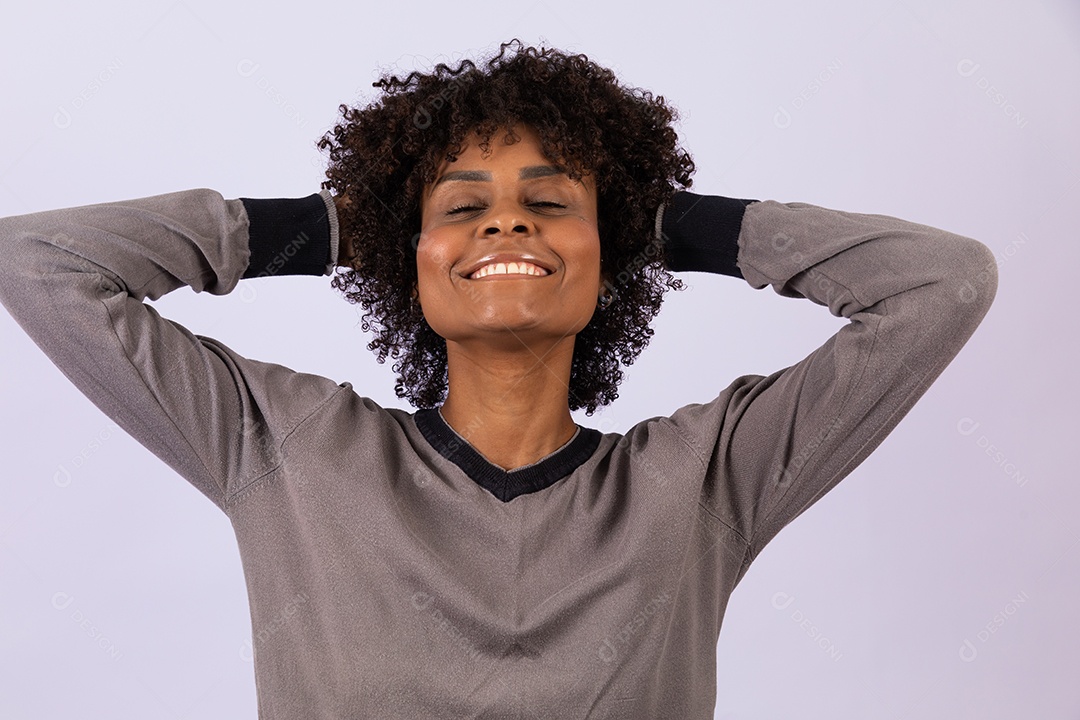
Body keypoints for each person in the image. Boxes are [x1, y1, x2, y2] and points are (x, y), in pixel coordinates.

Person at [0, 39, 997, 719]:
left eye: (552, 204)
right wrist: (339, 227)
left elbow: (939, 285)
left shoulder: (707, 479)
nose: (506, 223)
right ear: (410, 257)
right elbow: (38, 261)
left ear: (606, 252)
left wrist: (663, 224)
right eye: (462, 207)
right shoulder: (286, 447)